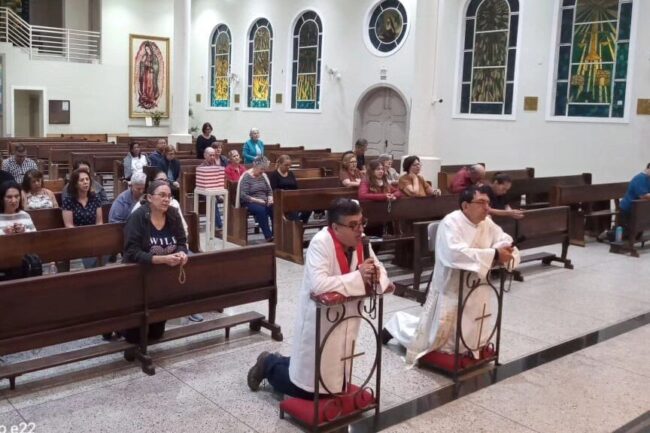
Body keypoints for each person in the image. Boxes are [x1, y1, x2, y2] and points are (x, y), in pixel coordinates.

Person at [246, 198, 392, 398]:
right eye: (353, 225)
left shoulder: (361, 241)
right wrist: (359, 277)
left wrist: (375, 279)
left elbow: (378, 270)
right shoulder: (321, 243)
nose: (360, 229)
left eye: (361, 223)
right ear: (335, 227)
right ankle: (269, 363)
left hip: (347, 316)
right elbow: (319, 284)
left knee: (333, 376)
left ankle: (286, 362)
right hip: (321, 320)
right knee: (308, 388)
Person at [383, 186, 520, 365]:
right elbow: (454, 254)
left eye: (488, 203)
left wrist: (505, 249)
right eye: (481, 203)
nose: (487, 207)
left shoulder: (487, 222)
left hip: (478, 284)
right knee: (432, 339)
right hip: (452, 287)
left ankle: (469, 347)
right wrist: (494, 255)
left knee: (474, 319)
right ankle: (394, 325)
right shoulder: (451, 222)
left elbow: (503, 238)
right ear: (465, 205)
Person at [122, 179, 188, 343]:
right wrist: (161, 259)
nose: (166, 199)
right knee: (134, 337)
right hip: (138, 276)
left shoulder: (173, 214)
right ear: (150, 198)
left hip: (162, 280)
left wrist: (182, 253)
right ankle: (114, 326)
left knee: (156, 334)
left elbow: (182, 241)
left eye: (169, 196)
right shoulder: (138, 217)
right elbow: (131, 252)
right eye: (162, 195)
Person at [62, 168, 104, 269]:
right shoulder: (68, 200)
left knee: (106, 247)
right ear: (75, 184)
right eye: (82, 180)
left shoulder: (95, 198)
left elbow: (99, 222)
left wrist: (96, 236)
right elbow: (69, 225)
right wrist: (83, 238)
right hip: (76, 237)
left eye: (87, 179)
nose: (86, 182)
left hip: (94, 235)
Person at [131, 169, 188, 236]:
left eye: (166, 180)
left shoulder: (174, 204)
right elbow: (133, 237)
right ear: (151, 183)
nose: (164, 183)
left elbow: (184, 231)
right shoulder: (139, 207)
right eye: (160, 180)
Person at [606, 163, 650, 240]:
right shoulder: (640, 178)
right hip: (627, 209)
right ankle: (606, 234)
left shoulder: (648, 179)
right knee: (624, 233)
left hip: (638, 210)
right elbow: (643, 196)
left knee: (637, 234)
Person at [237, 156, 274, 242]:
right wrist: (257, 200)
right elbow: (243, 195)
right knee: (261, 210)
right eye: (261, 169)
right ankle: (268, 236)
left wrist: (270, 197)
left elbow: (269, 190)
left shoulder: (263, 176)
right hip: (249, 201)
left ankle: (275, 234)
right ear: (255, 166)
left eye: (264, 169)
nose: (263, 172)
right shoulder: (246, 177)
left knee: (274, 208)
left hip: (263, 200)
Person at [268, 155, 310, 223]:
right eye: (286, 165)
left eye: (289, 165)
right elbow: (273, 190)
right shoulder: (274, 175)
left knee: (308, 207)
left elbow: (295, 187)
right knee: (292, 209)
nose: (288, 167)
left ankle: (300, 223)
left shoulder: (290, 174)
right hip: (281, 200)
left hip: (292, 198)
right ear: (280, 164)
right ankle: (296, 225)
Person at [199, 147, 224, 230]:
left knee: (228, 197)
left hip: (215, 190)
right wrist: (217, 195)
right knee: (213, 199)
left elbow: (217, 181)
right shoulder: (201, 167)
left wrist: (219, 193)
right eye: (210, 155)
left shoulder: (217, 166)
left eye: (213, 155)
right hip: (203, 191)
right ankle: (219, 225)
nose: (212, 157)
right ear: (205, 155)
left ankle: (230, 225)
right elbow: (203, 184)